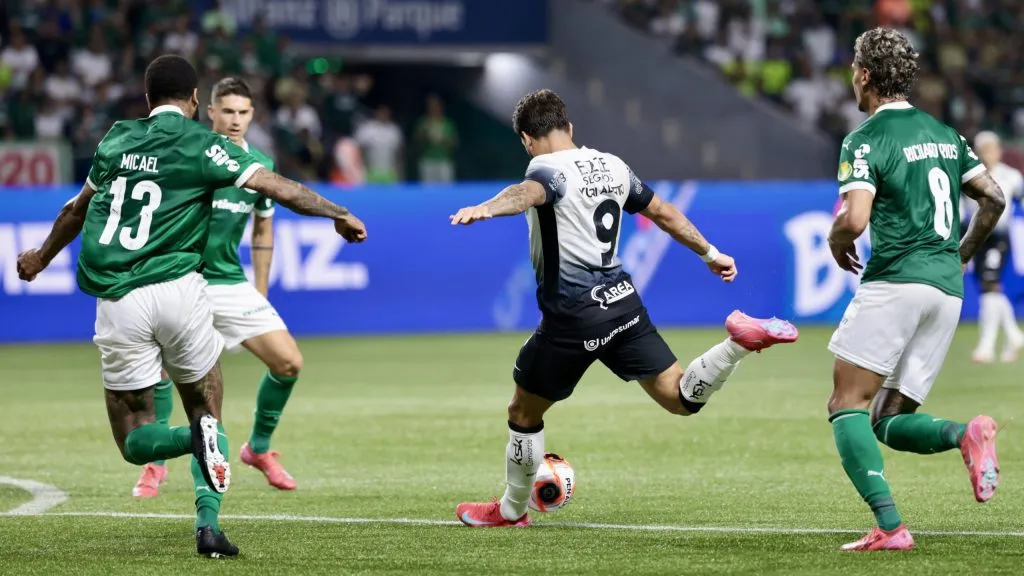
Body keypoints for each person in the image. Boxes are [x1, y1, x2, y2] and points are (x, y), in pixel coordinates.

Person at [16, 55, 367, 558]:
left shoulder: (115, 138)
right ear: (196, 101)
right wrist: (339, 211)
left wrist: (40, 257)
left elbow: (76, 210)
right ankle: (209, 526)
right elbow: (279, 188)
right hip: (182, 293)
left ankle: (186, 441)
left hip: (118, 300)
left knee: (135, 438)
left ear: (146, 98)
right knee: (207, 404)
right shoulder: (207, 146)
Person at [449, 89, 798, 528]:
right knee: (680, 397)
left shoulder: (544, 168)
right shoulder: (612, 165)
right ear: (570, 128)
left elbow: (527, 193)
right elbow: (664, 212)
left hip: (573, 317)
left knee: (523, 411)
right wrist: (711, 254)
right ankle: (737, 345)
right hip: (622, 304)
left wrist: (486, 208)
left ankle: (511, 511)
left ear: (526, 139)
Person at [825, 28, 1005, 552]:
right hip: (946, 292)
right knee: (886, 419)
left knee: (847, 403)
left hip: (897, 281)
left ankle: (889, 526)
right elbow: (992, 198)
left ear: (863, 74)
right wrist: (959, 257)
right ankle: (962, 434)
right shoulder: (945, 133)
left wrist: (836, 238)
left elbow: (855, 219)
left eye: (853, 71)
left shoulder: (864, 139)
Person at [131, 77, 304, 500]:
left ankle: (258, 449)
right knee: (168, 373)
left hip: (230, 283)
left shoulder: (258, 164)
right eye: (227, 111)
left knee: (288, 363)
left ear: (252, 115)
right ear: (209, 111)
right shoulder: (188, 154)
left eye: (243, 112)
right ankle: (155, 466)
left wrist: (260, 290)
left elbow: (264, 228)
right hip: (183, 279)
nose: (235, 120)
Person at [960, 131, 1024, 363]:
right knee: (989, 287)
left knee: (989, 284)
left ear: (999, 150)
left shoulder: (1012, 176)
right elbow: (962, 210)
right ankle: (1013, 334)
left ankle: (986, 346)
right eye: (983, 150)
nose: (988, 154)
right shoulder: (970, 176)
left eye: (992, 149)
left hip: (999, 238)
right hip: (977, 239)